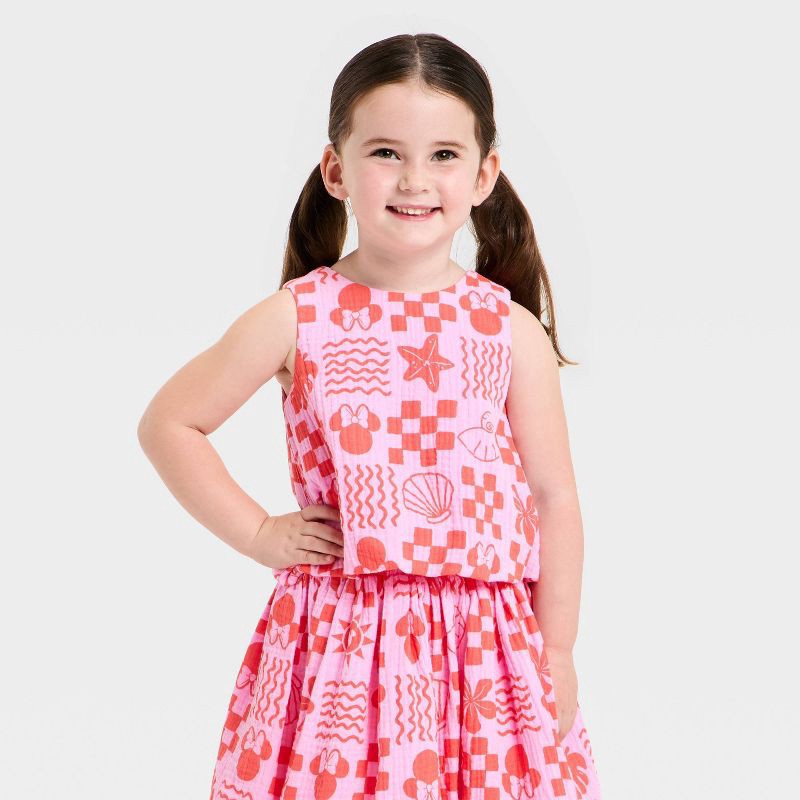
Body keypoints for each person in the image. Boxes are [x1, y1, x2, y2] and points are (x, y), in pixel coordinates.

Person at [138, 32, 603, 800]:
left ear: (484, 175)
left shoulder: (507, 329)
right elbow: (170, 424)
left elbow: (556, 499)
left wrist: (557, 651)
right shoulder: (298, 317)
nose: (414, 179)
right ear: (336, 171)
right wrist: (260, 533)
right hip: (341, 644)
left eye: (444, 155)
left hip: (483, 653)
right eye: (386, 152)